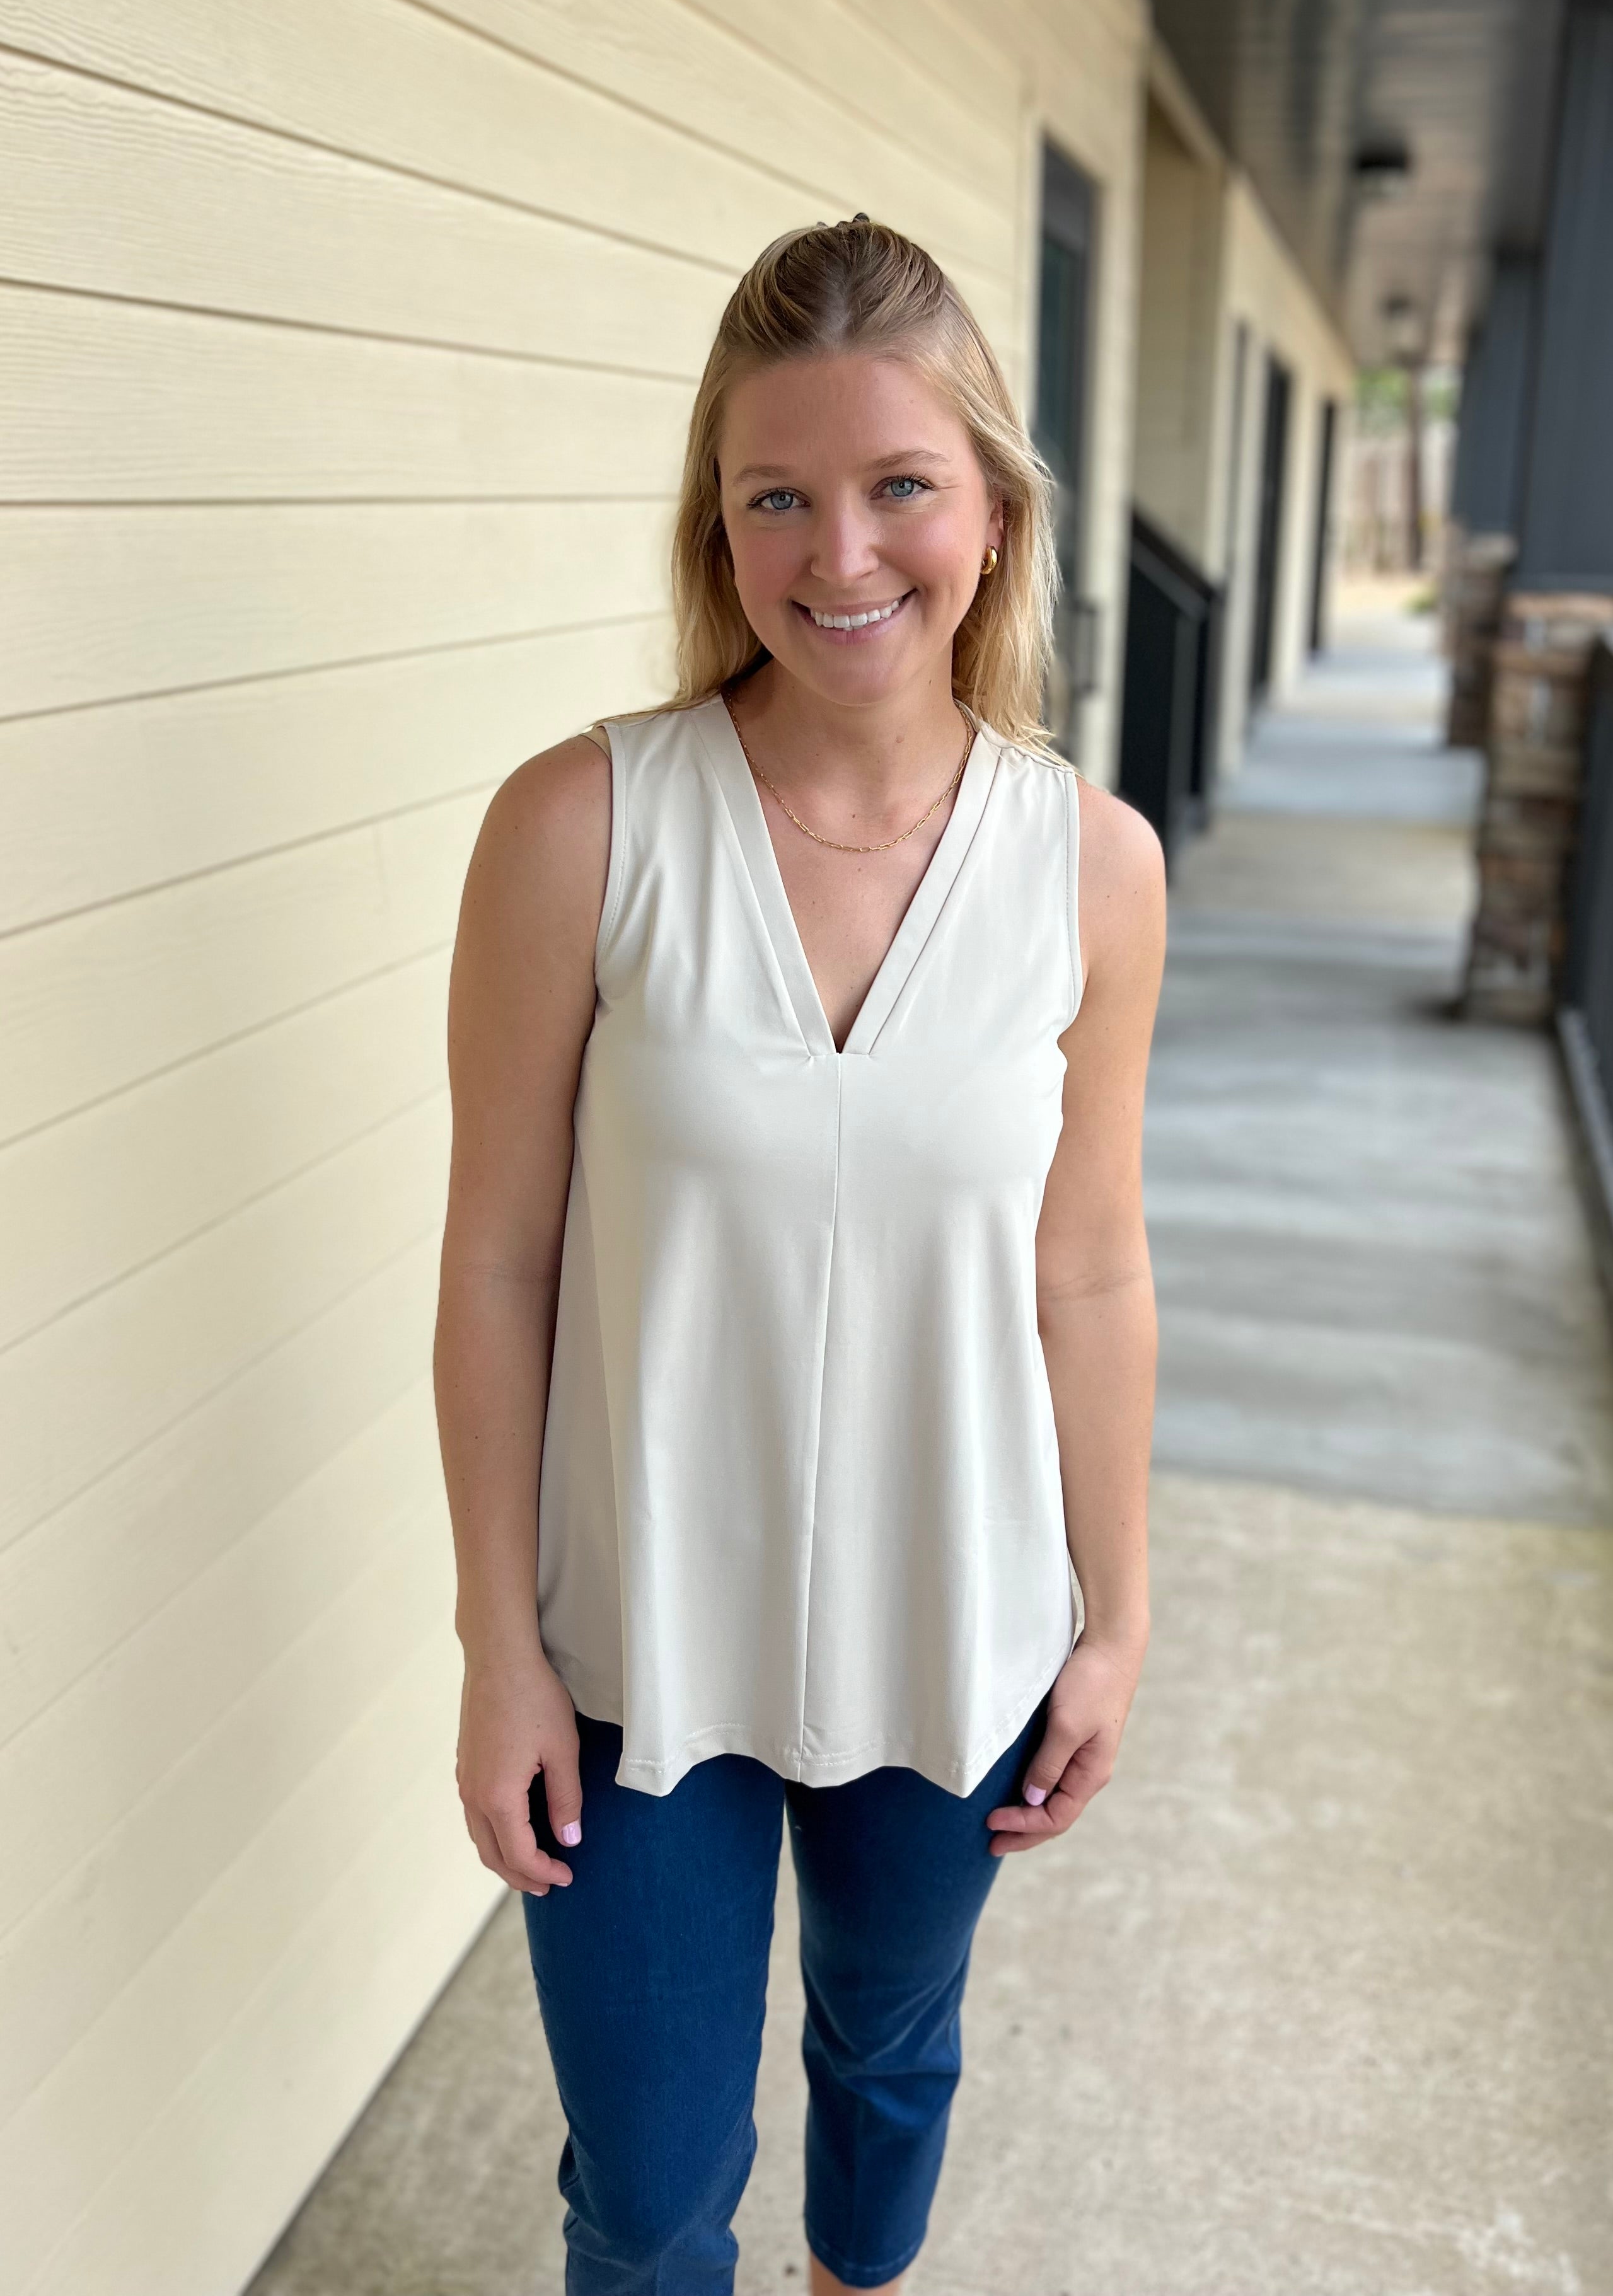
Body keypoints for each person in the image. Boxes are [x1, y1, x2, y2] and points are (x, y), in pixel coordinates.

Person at [434, 215, 1167, 2295]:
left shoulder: (1091, 868)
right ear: (720, 523)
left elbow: (1090, 1270)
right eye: (777, 497)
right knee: (649, 2193)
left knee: (888, 2057)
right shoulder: (580, 827)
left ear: (994, 514)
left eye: (898, 485)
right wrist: (497, 1644)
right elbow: (497, 1262)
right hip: (634, 1643)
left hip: (958, 1618)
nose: (840, 554)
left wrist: (1116, 1621)